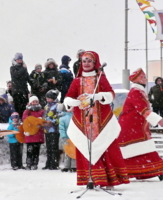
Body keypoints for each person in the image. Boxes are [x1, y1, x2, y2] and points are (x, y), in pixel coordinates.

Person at [64, 51, 129, 188]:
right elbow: (68, 96)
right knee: (87, 149)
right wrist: (72, 102)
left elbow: (110, 94)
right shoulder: (77, 80)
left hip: (101, 122)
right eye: (84, 61)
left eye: (89, 61)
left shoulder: (100, 78)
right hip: (83, 123)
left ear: (95, 63)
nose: (86, 63)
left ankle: (106, 179)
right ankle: (91, 179)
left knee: (105, 148)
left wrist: (98, 97)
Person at [118, 68, 163, 181]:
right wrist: (159, 120)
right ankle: (157, 169)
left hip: (135, 126)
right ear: (138, 80)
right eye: (143, 77)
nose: (146, 79)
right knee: (144, 148)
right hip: (131, 127)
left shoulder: (139, 91)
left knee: (138, 150)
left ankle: (138, 171)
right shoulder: (136, 92)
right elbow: (143, 109)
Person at [22, 96, 45, 170]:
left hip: (38, 133)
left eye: (36, 101)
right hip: (30, 133)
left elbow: (43, 120)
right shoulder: (27, 111)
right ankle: (29, 163)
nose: (35, 103)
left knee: (36, 150)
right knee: (29, 150)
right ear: (30, 102)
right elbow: (25, 120)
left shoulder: (41, 111)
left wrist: (40, 121)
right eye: (33, 101)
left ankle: (35, 163)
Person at [42, 90, 60, 170]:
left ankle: (54, 163)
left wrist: (52, 121)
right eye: (47, 98)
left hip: (54, 130)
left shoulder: (57, 106)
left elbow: (59, 117)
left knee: (54, 147)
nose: (47, 99)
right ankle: (48, 163)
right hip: (47, 129)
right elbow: (44, 116)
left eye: (49, 98)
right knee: (48, 147)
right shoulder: (46, 106)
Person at [57, 103, 76, 172]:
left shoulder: (75, 117)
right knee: (67, 152)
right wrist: (64, 137)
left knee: (74, 152)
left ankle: (74, 166)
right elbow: (61, 129)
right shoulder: (62, 119)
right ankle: (66, 166)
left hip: (74, 138)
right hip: (67, 138)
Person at [10, 53, 30, 118]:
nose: (19, 61)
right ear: (15, 60)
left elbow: (27, 77)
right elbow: (17, 75)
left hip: (24, 91)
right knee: (17, 107)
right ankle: (17, 120)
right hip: (16, 91)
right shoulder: (12, 68)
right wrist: (24, 68)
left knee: (25, 107)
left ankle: (24, 119)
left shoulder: (24, 68)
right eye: (18, 59)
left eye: (20, 59)